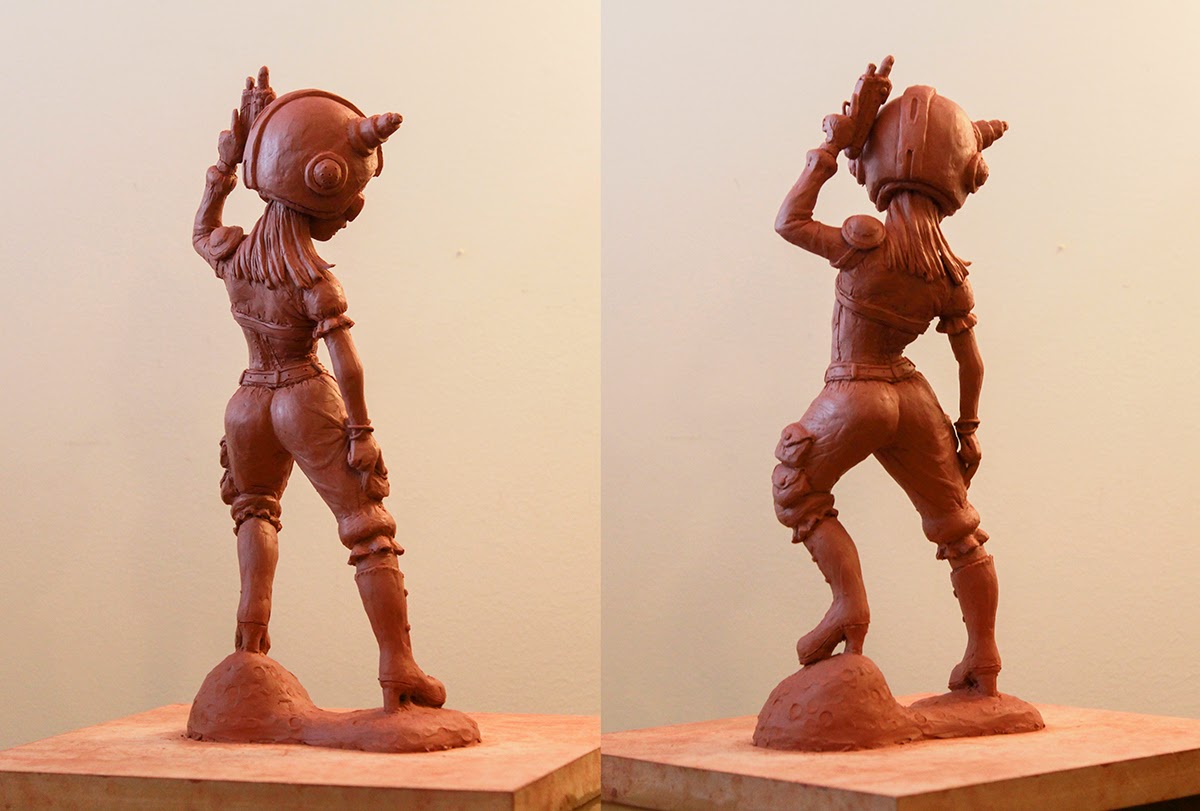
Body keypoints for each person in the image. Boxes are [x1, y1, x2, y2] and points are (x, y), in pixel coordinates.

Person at [192, 67, 445, 711]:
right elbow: (347, 364)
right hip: (304, 393)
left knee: (255, 510)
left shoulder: (234, 255)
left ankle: (251, 641)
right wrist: (361, 431)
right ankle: (398, 667)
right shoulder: (313, 281)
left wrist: (229, 160)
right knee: (367, 529)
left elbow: (199, 230)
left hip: (248, 401)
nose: (353, 211)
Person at [772, 58, 1008, 695]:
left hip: (855, 391)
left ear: (874, 163)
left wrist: (832, 145)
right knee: (959, 529)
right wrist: (968, 428)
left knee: (797, 492)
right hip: (914, 399)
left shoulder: (863, 244)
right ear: (963, 177)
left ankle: (848, 605)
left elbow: (789, 221)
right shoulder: (950, 274)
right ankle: (983, 655)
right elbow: (970, 362)